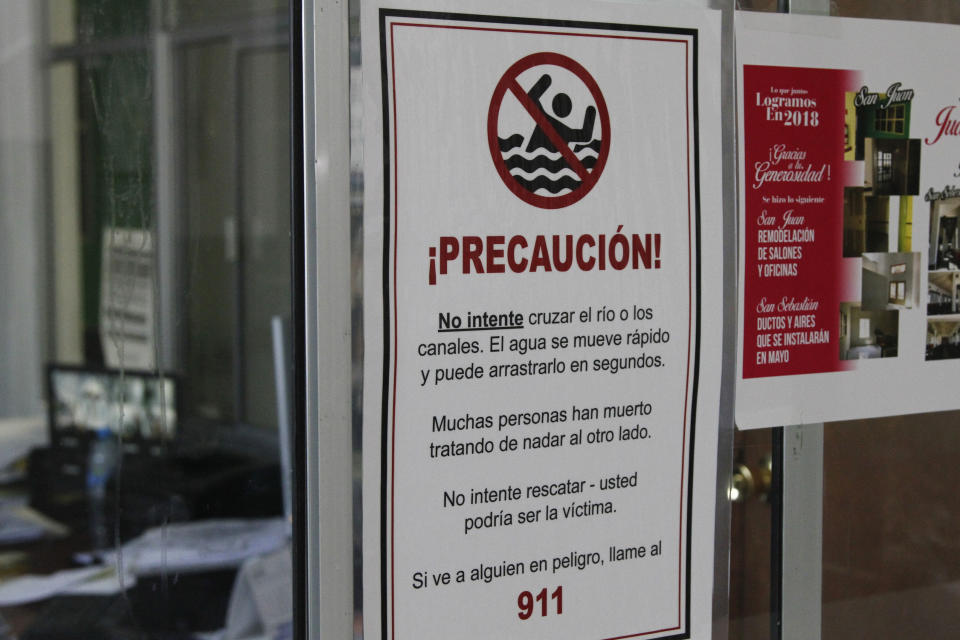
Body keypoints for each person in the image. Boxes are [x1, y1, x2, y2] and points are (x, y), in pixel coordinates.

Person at [524, 74, 596, 153]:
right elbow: (585, 136)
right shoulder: (565, 131)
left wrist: (546, 81)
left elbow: (530, 99)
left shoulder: (544, 119)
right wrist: (591, 112)